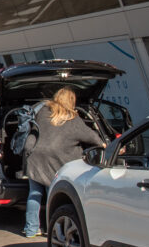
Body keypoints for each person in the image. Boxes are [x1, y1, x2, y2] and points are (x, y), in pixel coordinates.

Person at [22, 86, 106, 238]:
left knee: (34, 194)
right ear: (71, 101)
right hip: (56, 161)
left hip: (36, 157)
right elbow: (90, 136)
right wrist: (104, 144)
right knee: (52, 195)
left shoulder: (43, 112)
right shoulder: (72, 119)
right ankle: (53, 229)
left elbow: (33, 132)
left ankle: (31, 229)